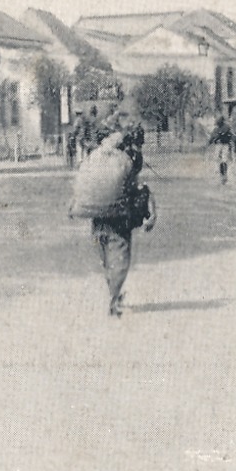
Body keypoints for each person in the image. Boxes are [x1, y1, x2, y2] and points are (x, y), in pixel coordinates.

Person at [87, 108, 155, 317]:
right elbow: (137, 186)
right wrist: (151, 211)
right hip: (120, 217)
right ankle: (114, 298)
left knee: (106, 258)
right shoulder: (128, 159)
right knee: (121, 258)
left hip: (98, 217)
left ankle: (114, 294)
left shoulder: (94, 158)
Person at [208, 115, 233, 185]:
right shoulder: (216, 129)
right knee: (218, 160)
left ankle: (224, 175)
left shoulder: (226, 127)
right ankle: (222, 175)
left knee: (224, 160)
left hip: (225, 145)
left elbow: (222, 134)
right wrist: (210, 141)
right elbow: (213, 136)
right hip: (218, 145)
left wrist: (216, 137)